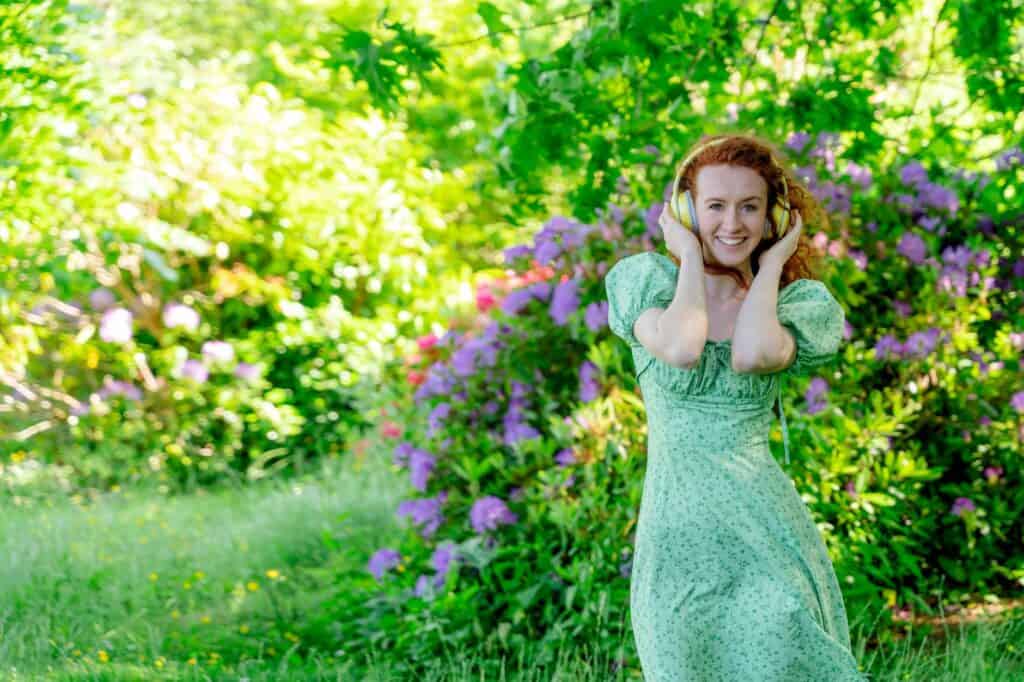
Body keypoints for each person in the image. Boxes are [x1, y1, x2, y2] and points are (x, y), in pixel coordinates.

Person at [604, 133, 869, 681]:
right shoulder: (648, 286)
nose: (733, 223)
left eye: (750, 206)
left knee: (783, 657)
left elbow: (751, 355)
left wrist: (771, 267)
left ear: (772, 216)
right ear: (684, 211)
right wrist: (688, 261)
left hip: (763, 533)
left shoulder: (791, 307)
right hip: (677, 543)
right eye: (715, 206)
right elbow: (681, 348)